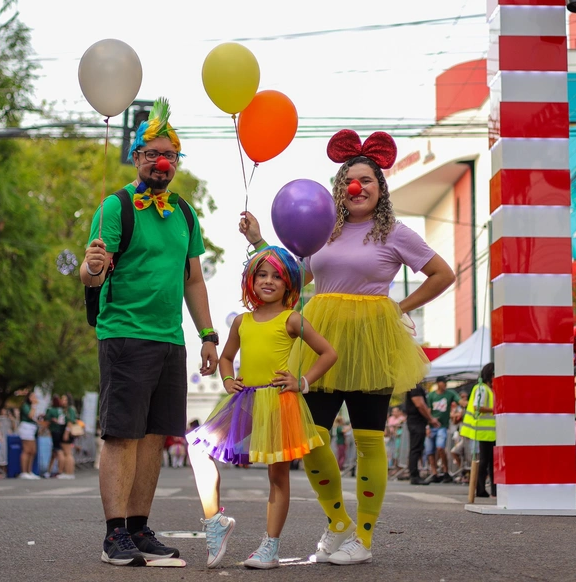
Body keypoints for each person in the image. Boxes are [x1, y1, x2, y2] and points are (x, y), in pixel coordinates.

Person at [240, 129, 454, 564]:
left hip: (372, 339)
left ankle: (366, 539)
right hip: (322, 341)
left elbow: (442, 274)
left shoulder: (394, 232)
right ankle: (338, 522)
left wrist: (400, 307)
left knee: (370, 439)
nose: (356, 187)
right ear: (339, 190)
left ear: (381, 188)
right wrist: (260, 242)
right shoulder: (322, 229)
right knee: (311, 437)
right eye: (348, 181)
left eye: (367, 180)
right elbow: (290, 275)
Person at [81, 98, 218, 567]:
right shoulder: (116, 206)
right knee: (121, 434)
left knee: (155, 435)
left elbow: (193, 278)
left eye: (171, 155)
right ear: (137, 157)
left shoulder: (183, 212)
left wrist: (208, 335)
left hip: (170, 339)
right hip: (123, 333)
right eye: (153, 153)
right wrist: (89, 268)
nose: (163, 162)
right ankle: (113, 535)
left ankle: (138, 528)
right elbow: (92, 274)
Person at [187, 246, 337, 569]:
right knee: (198, 447)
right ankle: (216, 521)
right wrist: (228, 381)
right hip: (246, 400)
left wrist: (303, 382)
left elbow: (328, 353)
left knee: (277, 476)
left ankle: (270, 548)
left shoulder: (293, 318)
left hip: (279, 401)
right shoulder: (241, 322)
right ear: (251, 281)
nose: (268, 281)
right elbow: (226, 358)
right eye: (262, 275)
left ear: (288, 284)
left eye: (277, 276)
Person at [461, 363, 496, 498]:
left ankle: (489, 490)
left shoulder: (487, 388)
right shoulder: (482, 389)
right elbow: (477, 407)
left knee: (489, 462)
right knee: (485, 462)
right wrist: (496, 409)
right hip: (484, 431)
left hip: (489, 431)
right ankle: (481, 489)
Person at [425, 378, 459, 483]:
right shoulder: (431, 396)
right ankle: (434, 472)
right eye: (443, 383)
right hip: (431, 426)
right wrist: (427, 426)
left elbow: (459, 401)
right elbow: (428, 410)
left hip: (442, 426)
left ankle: (445, 471)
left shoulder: (450, 394)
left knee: (440, 447)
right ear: (438, 384)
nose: (444, 385)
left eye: (445, 383)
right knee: (430, 451)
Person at [403, 380, 435, 485]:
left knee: (417, 448)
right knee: (416, 448)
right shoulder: (415, 388)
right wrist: (431, 419)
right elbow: (420, 404)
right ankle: (414, 475)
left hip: (416, 421)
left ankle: (414, 474)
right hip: (416, 421)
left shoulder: (414, 387)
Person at [45, 393, 77, 480]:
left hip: (66, 431)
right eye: (62, 399)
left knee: (67, 453)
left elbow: (70, 422)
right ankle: (67, 471)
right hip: (63, 429)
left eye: (65, 399)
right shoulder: (64, 410)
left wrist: (66, 433)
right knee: (66, 452)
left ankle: (69, 472)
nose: (63, 401)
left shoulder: (70, 409)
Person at [17, 390, 42, 480]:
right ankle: (24, 472)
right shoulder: (25, 406)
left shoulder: (33, 407)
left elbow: (35, 418)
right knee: (27, 450)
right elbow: (30, 415)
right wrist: (34, 405)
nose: (35, 399)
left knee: (33, 451)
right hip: (26, 428)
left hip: (32, 428)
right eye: (33, 397)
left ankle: (29, 471)